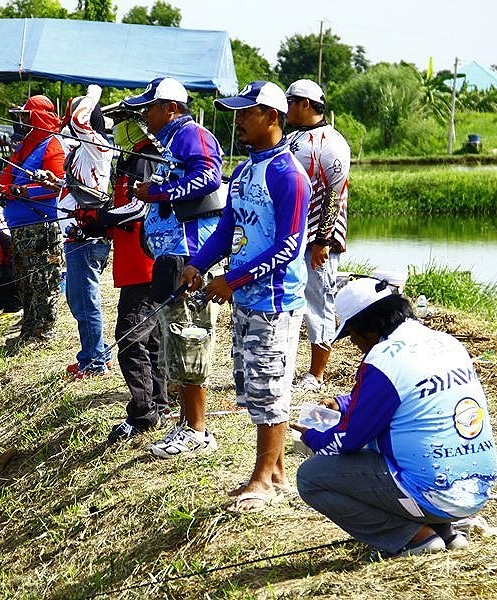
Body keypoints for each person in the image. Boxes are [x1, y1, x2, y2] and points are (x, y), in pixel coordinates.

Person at [293, 277, 497, 558]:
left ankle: (414, 538)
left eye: (352, 334)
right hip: (476, 490)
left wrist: (313, 436)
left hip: (433, 495)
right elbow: (405, 392)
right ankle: (447, 532)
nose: (354, 343)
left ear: (369, 326)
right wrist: (343, 403)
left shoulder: (383, 358)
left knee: (311, 477)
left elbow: (348, 440)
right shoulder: (445, 342)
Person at [181, 81, 311, 512]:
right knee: (254, 386)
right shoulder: (243, 171)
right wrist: (198, 264)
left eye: (246, 113)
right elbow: (226, 229)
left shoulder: (288, 174)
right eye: (236, 113)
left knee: (271, 386)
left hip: (274, 299)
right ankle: (271, 473)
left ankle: (266, 480)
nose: (237, 121)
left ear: (272, 117)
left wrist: (231, 280)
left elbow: (290, 245)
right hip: (246, 297)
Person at [121, 77, 225, 459]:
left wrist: (157, 192)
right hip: (172, 254)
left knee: (189, 338)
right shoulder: (172, 140)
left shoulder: (189, 133)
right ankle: (185, 424)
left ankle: (196, 430)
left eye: (150, 107)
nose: (145, 115)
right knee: (175, 341)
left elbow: (207, 177)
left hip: (189, 254)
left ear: (170, 108)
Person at [100, 115, 168, 442]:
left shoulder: (145, 159)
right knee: (150, 337)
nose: (116, 129)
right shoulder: (131, 158)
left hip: (145, 264)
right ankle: (160, 404)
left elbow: (140, 209)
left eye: (122, 123)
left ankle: (144, 414)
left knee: (128, 335)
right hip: (132, 263)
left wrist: (104, 218)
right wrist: (98, 221)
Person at [285, 79, 351, 393]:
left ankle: (317, 374)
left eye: (290, 102)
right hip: (292, 235)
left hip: (316, 240)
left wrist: (322, 240)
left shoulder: (331, 142)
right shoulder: (292, 137)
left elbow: (335, 195)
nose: (285, 108)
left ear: (305, 105)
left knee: (318, 302)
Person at [0, 95, 66, 346]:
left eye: (26, 116)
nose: (22, 122)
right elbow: (8, 175)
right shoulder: (25, 145)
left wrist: (23, 192)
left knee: (43, 280)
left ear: (38, 117)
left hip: (41, 225)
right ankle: (28, 331)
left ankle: (43, 333)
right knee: (25, 280)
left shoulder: (53, 145)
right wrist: (1, 185)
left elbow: (57, 186)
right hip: (20, 226)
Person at [58, 84, 114, 380]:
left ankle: (94, 363)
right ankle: (95, 353)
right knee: (78, 298)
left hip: (87, 238)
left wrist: (92, 95)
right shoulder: (83, 150)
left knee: (85, 300)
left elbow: (80, 118)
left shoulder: (97, 145)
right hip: (76, 237)